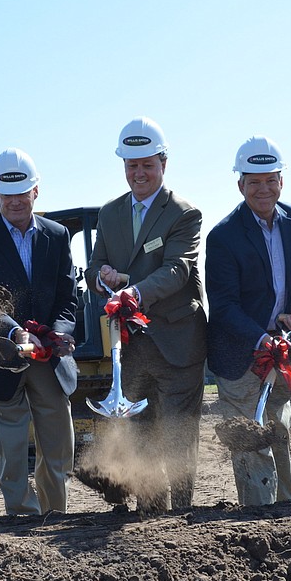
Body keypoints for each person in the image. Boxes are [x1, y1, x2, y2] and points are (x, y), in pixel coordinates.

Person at [86, 117, 208, 512]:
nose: (139, 173)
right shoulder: (110, 214)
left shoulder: (184, 214)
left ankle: (182, 512)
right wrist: (102, 277)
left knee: (177, 432)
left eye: (147, 165)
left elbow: (177, 270)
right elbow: (94, 266)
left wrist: (134, 292)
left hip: (177, 343)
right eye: (132, 165)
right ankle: (151, 513)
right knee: (139, 431)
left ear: (163, 164)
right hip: (133, 346)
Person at [0, 148, 78, 516]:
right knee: (11, 449)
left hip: (48, 361)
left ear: (35, 191)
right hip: (0, 360)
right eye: (7, 194)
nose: (14, 201)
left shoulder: (57, 236)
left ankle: (54, 515)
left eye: (22, 193)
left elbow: (67, 298)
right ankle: (22, 519)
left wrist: (57, 333)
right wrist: (14, 334)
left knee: (58, 445)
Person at [206, 136, 291, 506]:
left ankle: (285, 511)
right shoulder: (223, 236)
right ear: (240, 185)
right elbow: (223, 306)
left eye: (270, 180)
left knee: (279, 432)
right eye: (254, 182)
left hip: (281, 348)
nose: (263, 189)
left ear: (281, 181)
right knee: (251, 440)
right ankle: (257, 518)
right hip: (240, 356)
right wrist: (261, 338)